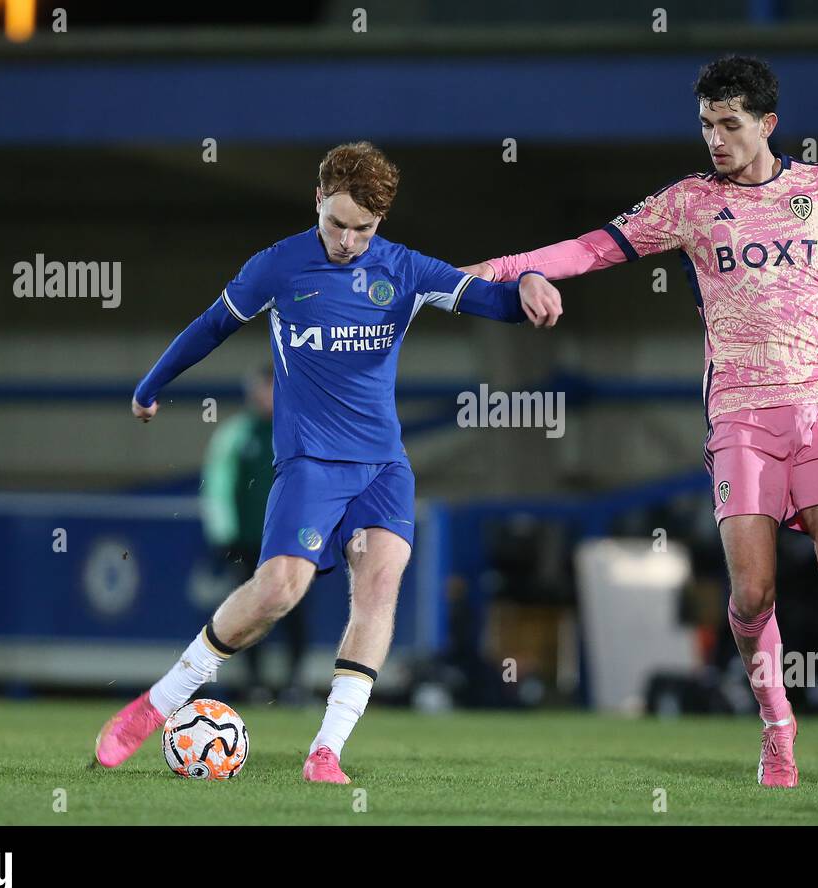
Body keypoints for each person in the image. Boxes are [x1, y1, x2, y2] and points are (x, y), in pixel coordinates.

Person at [462, 55, 818, 789]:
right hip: (742, 415)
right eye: (706, 123)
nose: (715, 137)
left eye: (730, 123)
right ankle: (778, 731)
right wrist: (512, 266)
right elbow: (592, 247)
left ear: (768, 124)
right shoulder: (686, 204)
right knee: (751, 594)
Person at [93, 141, 562, 783]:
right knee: (277, 593)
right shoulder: (277, 267)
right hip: (312, 464)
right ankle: (158, 704)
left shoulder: (406, 270)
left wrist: (530, 281)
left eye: (362, 229)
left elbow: (499, 303)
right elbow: (210, 326)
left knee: (378, 592)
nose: (346, 240)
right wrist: (150, 386)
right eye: (336, 223)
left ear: (381, 223)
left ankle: (326, 752)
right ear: (318, 202)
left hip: (384, 470)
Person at [201, 363, 307, 705]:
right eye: (261, 387)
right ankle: (254, 684)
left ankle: (294, 683)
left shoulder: (298, 429)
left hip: (292, 542)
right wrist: (224, 533)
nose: (266, 395)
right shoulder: (237, 433)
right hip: (248, 540)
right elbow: (218, 484)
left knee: (294, 610)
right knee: (250, 612)